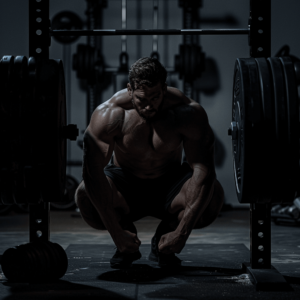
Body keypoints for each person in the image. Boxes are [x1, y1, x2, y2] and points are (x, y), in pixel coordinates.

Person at [75, 57, 224, 269]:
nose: (148, 106)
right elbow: (92, 172)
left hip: (169, 183)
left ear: (164, 88)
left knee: (213, 195)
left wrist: (182, 232)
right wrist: (116, 232)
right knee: (84, 195)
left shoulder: (187, 112)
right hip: (125, 183)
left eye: (155, 97)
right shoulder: (109, 114)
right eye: (141, 99)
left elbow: (204, 169)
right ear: (129, 89)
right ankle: (126, 241)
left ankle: (164, 241)